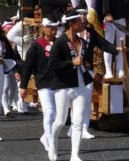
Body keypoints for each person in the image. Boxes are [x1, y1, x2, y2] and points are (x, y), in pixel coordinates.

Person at [48, 9, 119, 161]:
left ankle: (75, 155)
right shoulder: (59, 43)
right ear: (72, 24)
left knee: (78, 121)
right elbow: (52, 65)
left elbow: (100, 45)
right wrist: (71, 63)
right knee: (60, 121)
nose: (83, 22)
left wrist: (115, 50)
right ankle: (52, 144)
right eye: (79, 21)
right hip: (63, 85)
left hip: (80, 83)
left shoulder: (82, 41)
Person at [20, 17, 59, 152]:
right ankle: (50, 142)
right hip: (43, 83)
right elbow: (27, 67)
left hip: (58, 83)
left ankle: (45, 136)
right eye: (50, 28)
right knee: (49, 112)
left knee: (58, 116)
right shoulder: (36, 46)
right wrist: (23, 86)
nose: (53, 31)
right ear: (44, 29)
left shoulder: (59, 44)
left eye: (55, 28)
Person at [102, 0, 128, 79]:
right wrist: (107, 13)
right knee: (109, 44)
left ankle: (120, 70)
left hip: (121, 16)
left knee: (121, 44)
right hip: (110, 17)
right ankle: (108, 71)